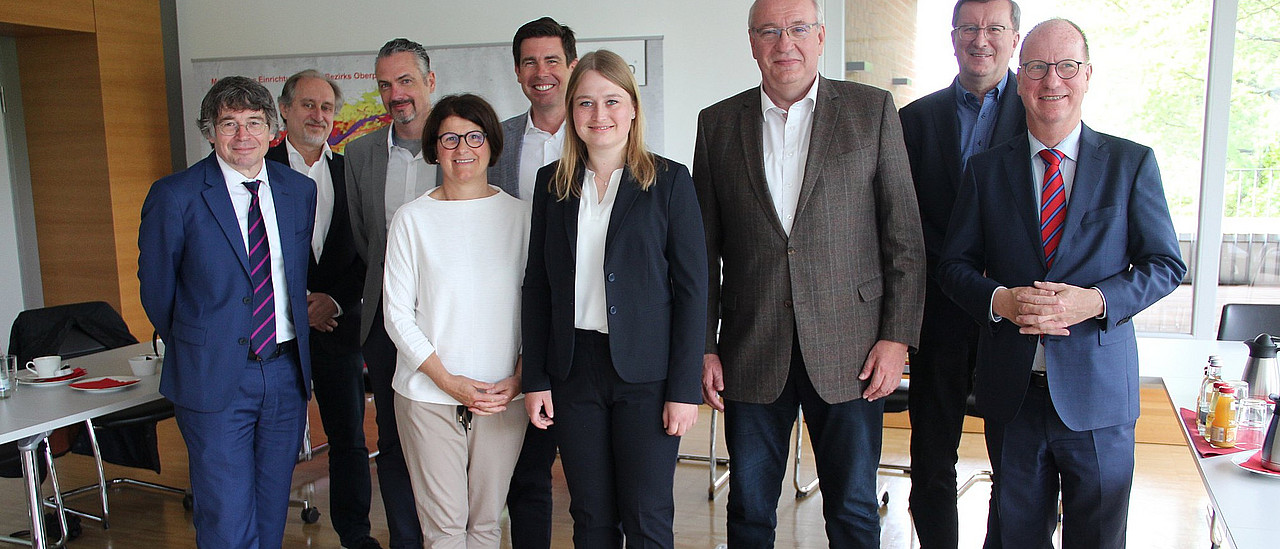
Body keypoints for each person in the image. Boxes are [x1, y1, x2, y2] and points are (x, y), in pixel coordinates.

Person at [937, 19, 1186, 549]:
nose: (1052, 80)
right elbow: (953, 267)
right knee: (1015, 537)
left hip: (1099, 396)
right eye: (1036, 67)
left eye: (1066, 66)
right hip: (1013, 394)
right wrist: (1000, 301)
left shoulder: (1130, 163)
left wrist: (1095, 301)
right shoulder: (985, 170)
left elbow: (1165, 264)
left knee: (1097, 538)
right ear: (1019, 78)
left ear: (1087, 75)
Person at [692, 0, 925, 546]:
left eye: (798, 28)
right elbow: (702, 252)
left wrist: (896, 339)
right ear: (752, 42)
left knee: (853, 511)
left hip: (853, 350)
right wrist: (703, 346)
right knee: (749, 510)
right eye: (770, 31)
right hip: (751, 348)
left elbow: (905, 240)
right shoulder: (717, 123)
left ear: (820, 37)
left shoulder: (871, 111)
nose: (785, 43)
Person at [521, 49, 707, 549]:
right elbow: (537, 286)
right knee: (590, 516)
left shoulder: (669, 181)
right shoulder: (551, 185)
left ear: (632, 109)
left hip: (647, 377)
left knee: (646, 515)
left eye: (611, 101)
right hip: (573, 370)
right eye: (585, 102)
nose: (598, 114)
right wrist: (536, 378)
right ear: (571, 111)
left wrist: (684, 389)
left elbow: (693, 292)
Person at [138, 76, 316, 549]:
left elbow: (293, 276)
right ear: (210, 131)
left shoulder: (298, 191)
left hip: (284, 372)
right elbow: (157, 291)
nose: (243, 136)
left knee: (272, 507)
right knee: (225, 514)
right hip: (213, 374)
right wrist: (203, 342)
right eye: (229, 124)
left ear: (272, 130)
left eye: (254, 123)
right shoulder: (175, 195)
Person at [897, 1, 1024, 546]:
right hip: (939, 312)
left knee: (1016, 464)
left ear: (1015, 38)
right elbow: (901, 219)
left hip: (1015, 316)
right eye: (969, 28)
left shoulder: (1040, 110)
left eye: (994, 28)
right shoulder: (915, 120)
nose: (981, 39)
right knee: (931, 456)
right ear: (953, 38)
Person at [383, 93, 530, 549]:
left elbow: (540, 308)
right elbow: (396, 314)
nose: (462, 148)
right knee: (444, 531)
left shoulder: (522, 217)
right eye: (449, 138)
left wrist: (520, 376)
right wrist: (447, 381)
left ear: (492, 145)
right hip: (428, 393)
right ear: (434, 148)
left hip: (502, 396)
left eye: (474, 136)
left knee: (486, 525)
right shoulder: (412, 219)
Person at [265, 69, 380, 549]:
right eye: (308, 105)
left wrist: (332, 300)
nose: (318, 115)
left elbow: (366, 250)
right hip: (274, 334)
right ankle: (264, 534)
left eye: (327, 107)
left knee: (349, 438)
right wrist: (297, 307)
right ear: (284, 109)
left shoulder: (349, 171)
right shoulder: (259, 168)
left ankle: (355, 534)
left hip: (337, 326)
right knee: (272, 443)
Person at [345, 38, 440, 549]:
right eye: (385, 84)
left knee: (453, 437)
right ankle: (407, 540)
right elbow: (366, 240)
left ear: (429, 81)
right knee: (395, 438)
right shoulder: (360, 154)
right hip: (386, 323)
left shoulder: (462, 144)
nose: (395, 94)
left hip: (451, 320)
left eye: (405, 81)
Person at [489, 17, 577, 549]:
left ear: (572, 65)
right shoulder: (496, 141)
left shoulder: (601, 134)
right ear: (518, 71)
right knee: (527, 473)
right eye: (529, 62)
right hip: (515, 321)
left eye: (551, 60)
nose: (541, 72)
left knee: (593, 480)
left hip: (585, 328)